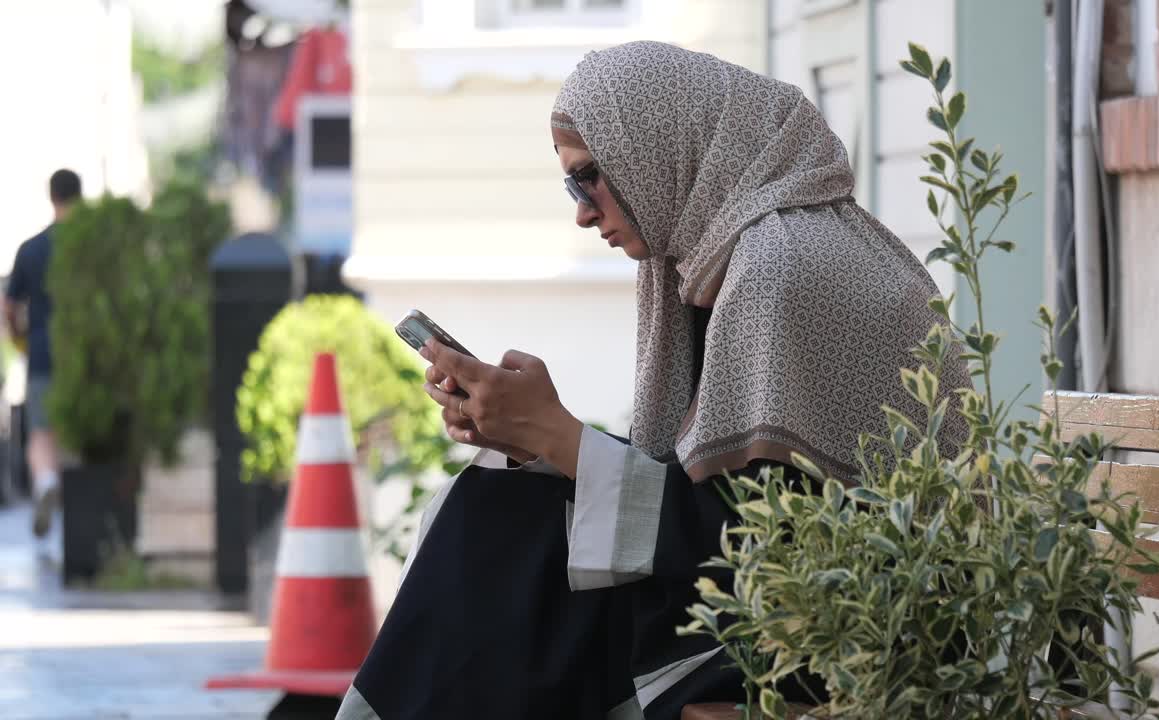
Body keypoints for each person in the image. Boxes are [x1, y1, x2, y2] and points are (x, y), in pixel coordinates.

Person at [337, 42, 969, 719]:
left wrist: (555, 433)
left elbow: (762, 547)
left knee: (504, 559)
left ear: (656, 148)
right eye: (570, 187)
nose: (582, 211)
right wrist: (532, 436)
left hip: (852, 637)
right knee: (497, 515)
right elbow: (723, 511)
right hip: (786, 606)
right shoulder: (727, 257)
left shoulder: (780, 266)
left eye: (589, 179)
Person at [5, 169, 80, 544]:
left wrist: (19, 337)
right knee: (79, 433)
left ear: (52, 198)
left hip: (42, 349)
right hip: (82, 353)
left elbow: (9, 304)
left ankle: (46, 480)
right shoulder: (89, 246)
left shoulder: (31, 249)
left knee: (40, 432)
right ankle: (71, 501)